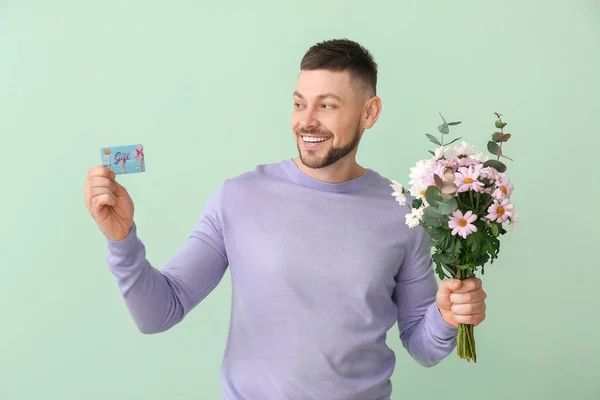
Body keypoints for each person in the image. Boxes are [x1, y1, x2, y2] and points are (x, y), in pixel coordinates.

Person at [84, 38, 487, 400]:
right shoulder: (239, 197)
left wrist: (447, 315)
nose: (306, 121)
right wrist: (122, 242)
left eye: (327, 105)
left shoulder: (404, 211)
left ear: (370, 112)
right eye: (299, 103)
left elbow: (423, 345)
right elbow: (160, 312)